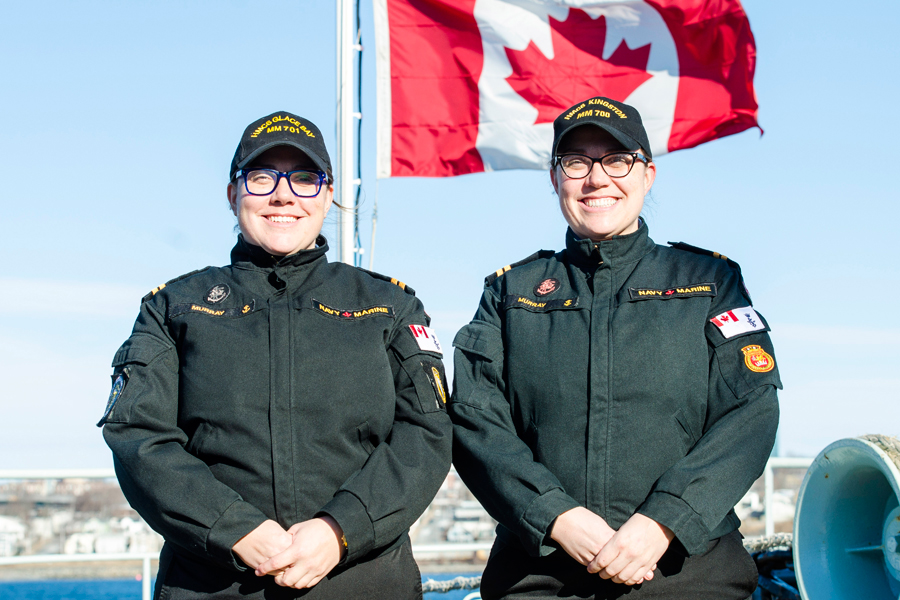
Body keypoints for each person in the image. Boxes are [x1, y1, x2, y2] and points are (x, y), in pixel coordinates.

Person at [99, 111, 452, 599]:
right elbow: (139, 437)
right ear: (233, 194)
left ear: (328, 196)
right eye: (262, 177)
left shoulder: (389, 306)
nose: (283, 194)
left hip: (362, 582)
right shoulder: (172, 308)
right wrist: (235, 528)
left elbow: (426, 433)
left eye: (305, 179)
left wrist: (339, 529)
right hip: (214, 584)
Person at [449, 96, 780, 599]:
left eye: (617, 160)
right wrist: (555, 515)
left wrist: (665, 520)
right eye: (576, 161)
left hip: (687, 573)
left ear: (647, 175)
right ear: (555, 179)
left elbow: (751, 412)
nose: (597, 179)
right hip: (539, 576)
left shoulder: (709, 281)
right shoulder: (509, 294)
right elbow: (476, 421)